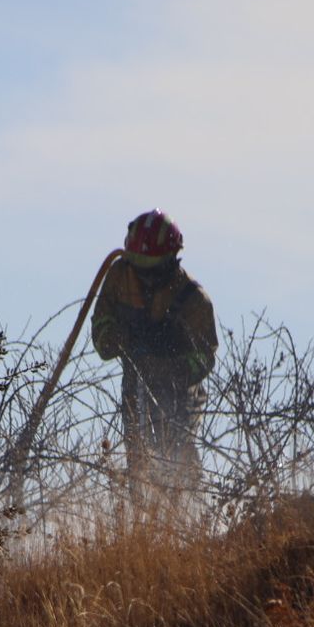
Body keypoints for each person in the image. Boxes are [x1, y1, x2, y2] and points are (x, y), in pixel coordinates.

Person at [92, 210, 218, 501]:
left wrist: (167, 365)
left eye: (152, 271)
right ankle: (140, 513)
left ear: (172, 260)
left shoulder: (194, 300)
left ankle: (187, 510)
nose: (145, 278)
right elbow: (102, 326)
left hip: (180, 393)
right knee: (137, 455)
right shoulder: (119, 276)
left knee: (175, 453)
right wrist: (117, 339)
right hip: (134, 380)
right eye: (139, 269)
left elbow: (205, 356)